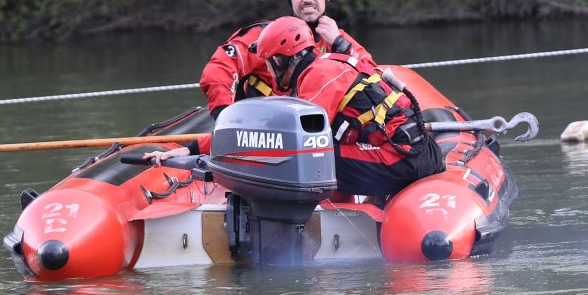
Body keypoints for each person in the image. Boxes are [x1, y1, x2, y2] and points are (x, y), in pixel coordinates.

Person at [152, 17, 443, 197]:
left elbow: (287, 140)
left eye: (269, 63)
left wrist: (210, 152)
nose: (268, 70)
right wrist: (193, 149)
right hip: (414, 153)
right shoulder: (322, 69)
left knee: (294, 159)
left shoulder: (319, 76)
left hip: (401, 160)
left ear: (281, 60)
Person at [198, 0, 372, 119]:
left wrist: (340, 45)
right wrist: (224, 116)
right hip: (259, 127)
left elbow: (373, 78)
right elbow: (218, 70)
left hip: (311, 129)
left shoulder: (338, 38)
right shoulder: (264, 35)